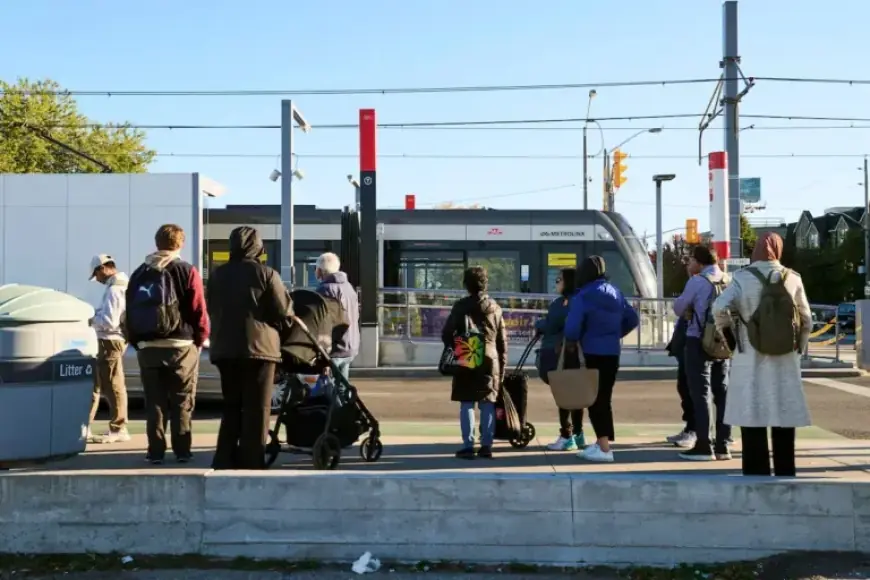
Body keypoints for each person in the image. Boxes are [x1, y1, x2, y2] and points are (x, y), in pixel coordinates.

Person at [711, 232, 812, 476]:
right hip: (785, 358)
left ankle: (756, 478)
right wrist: (800, 346)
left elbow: (718, 307)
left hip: (750, 357)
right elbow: (807, 319)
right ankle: (786, 475)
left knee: (752, 417)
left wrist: (732, 339)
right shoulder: (793, 278)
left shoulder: (742, 279)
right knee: (783, 418)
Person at [207, 226, 292, 470]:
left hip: (224, 348)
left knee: (232, 405)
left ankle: (224, 458)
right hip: (260, 349)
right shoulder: (266, 274)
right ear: (257, 246)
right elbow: (284, 312)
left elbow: (212, 306)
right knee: (257, 408)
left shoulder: (217, 274)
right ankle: (252, 460)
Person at [125, 224, 210, 465]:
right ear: (180, 243)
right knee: (182, 399)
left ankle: (155, 451)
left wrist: (137, 341)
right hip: (181, 345)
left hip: (148, 346)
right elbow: (198, 309)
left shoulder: (140, 272)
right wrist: (200, 338)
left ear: (157, 242)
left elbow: (129, 309)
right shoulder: (186, 270)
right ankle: (182, 451)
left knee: (154, 401)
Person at [563, 256, 639, 462]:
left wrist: (577, 338)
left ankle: (604, 448)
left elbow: (571, 328)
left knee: (595, 400)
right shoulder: (616, 292)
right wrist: (615, 334)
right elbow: (633, 318)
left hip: (591, 351)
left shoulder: (584, 295)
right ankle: (600, 443)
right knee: (605, 398)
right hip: (612, 352)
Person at [673, 245, 732, 461]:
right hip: (724, 341)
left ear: (699, 262)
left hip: (698, 340)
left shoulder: (697, 281)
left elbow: (679, 308)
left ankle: (704, 445)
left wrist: (691, 310)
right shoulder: (729, 280)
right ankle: (723, 445)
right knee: (722, 393)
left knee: (701, 393)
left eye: (691, 261)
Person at [441, 266, 508, 460]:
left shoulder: (460, 306)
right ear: (485, 284)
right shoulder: (495, 308)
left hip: (467, 354)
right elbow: (502, 342)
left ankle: (468, 445)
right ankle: (486, 445)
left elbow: (446, 333)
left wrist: (457, 347)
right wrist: (501, 368)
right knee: (488, 401)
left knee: (467, 402)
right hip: (490, 357)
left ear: (466, 285)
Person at [535, 268, 586, 451]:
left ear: (567, 282)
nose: (556, 283)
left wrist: (538, 324)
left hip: (559, 354)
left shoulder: (561, 303)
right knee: (575, 395)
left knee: (563, 394)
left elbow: (550, 324)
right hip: (577, 354)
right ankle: (579, 434)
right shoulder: (581, 300)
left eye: (559, 280)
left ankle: (566, 435)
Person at [86, 254, 130, 444]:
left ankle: (119, 428)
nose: (98, 280)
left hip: (109, 340)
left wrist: (90, 320)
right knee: (106, 384)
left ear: (102, 268)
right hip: (114, 340)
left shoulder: (115, 289)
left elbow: (110, 321)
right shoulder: (123, 285)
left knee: (112, 385)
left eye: (97, 275)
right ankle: (92, 426)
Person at [314, 252, 360, 380]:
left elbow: (322, 321)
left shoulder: (325, 290)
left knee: (330, 391)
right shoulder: (348, 287)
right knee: (342, 388)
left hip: (335, 348)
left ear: (320, 271)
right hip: (350, 345)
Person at [664, 314, 694, 448]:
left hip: (695, 344)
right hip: (687, 344)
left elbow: (678, 306)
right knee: (684, 387)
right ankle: (690, 428)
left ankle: (694, 430)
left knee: (691, 390)